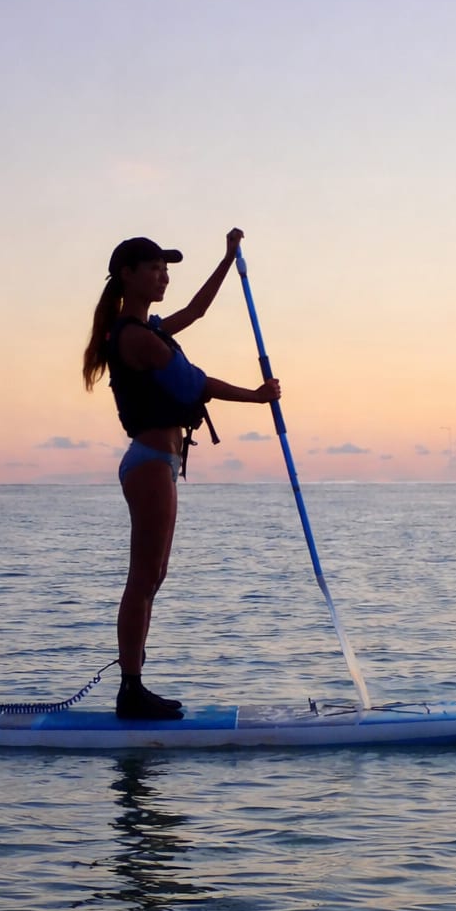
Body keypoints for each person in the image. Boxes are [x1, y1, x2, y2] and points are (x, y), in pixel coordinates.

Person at [83, 230, 280, 720]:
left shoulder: (147, 330)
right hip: (150, 463)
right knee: (144, 578)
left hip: (158, 464)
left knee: (154, 576)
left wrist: (227, 259)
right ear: (126, 275)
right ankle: (131, 689)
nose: (162, 275)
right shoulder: (134, 338)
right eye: (153, 268)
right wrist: (256, 397)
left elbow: (195, 312)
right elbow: (197, 384)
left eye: (165, 268)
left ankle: (134, 683)